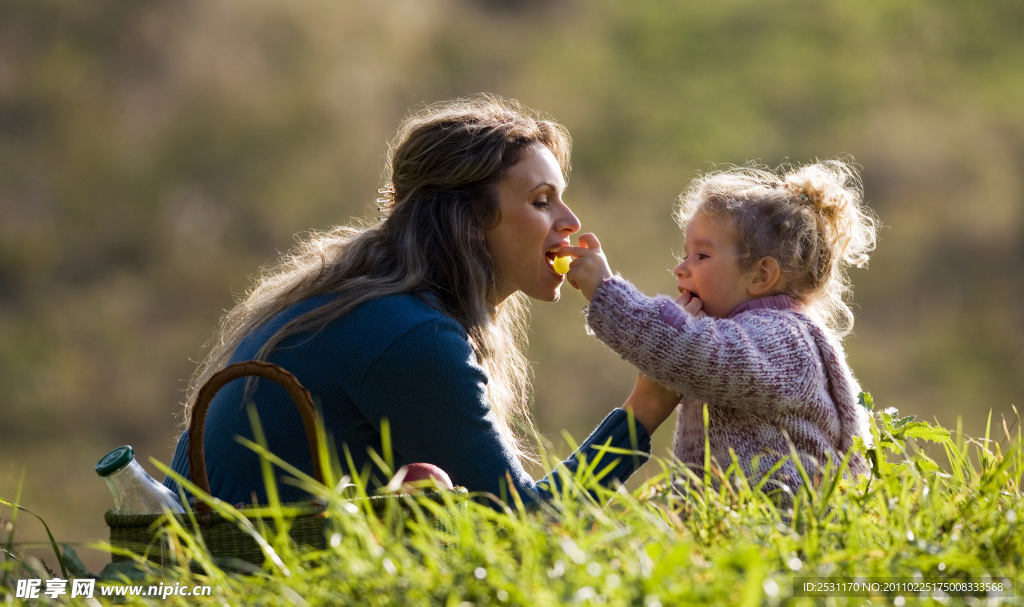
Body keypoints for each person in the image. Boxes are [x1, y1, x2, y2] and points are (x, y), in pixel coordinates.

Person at [165, 94, 680, 508]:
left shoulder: (362, 300)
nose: (569, 221)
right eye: (541, 201)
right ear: (472, 222)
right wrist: (647, 405)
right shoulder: (411, 337)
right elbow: (529, 527)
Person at [558, 159, 878, 502]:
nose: (680, 269)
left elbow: (694, 351)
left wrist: (607, 292)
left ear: (760, 276)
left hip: (779, 532)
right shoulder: (752, 332)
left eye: (701, 256)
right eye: (685, 254)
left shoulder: (785, 338)